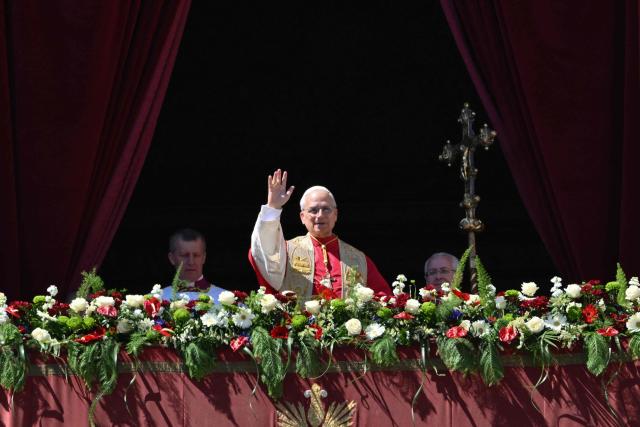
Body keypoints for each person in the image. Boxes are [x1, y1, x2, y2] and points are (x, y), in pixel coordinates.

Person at [249, 169, 391, 301]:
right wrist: (273, 207)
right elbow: (262, 250)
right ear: (302, 217)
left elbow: (384, 299)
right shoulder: (285, 251)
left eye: (326, 209)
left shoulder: (359, 259)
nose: (320, 215)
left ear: (335, 215)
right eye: (313, 210)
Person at [161, 228, 226, 301]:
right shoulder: (155, 301)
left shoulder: (227, 301)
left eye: (196, 255)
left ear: (204, 257)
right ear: (172, 258)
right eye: (184, 255)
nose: (191, 262)